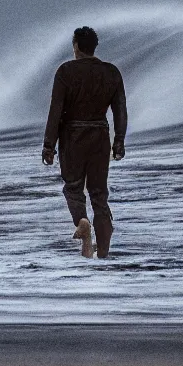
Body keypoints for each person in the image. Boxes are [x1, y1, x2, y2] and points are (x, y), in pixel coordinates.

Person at [41, 26, 128, 259]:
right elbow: (120, 110)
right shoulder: (111, 73)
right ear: (94, 47)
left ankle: (82, 222)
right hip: (100, 136)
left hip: (72, 137)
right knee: (99, 194)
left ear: (76, 46)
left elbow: (55, 111)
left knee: (73, 188)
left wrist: (49, 145)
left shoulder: (66, 71)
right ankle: (104, 255)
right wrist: (119, 141)